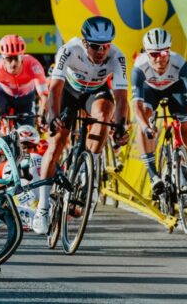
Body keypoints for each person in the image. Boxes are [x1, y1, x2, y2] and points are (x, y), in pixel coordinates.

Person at [39, 16, 130, 229]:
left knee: (105, 114)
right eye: (96, 46)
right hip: (69, 91)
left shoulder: (117, 56)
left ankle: (89, 170)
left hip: (95, 91)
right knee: (56, 143)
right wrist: (53, 116)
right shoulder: (69, 50)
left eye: (105, 46)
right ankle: (42, 207)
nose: (101, 51)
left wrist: (120, 126)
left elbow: (122, 97)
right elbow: (55, 88)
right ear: (85, 42)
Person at [131, 28, 187, 197]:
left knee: (186, 130)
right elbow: (137, 107)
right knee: (144, 118)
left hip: (175, 89)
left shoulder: (180, 63)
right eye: (154, 54)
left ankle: (186, 175)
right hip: (150, 90)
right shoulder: (139, 67)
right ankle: (153, 175)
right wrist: (146, 127)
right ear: (147, 53)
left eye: (164, 53)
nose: (160, 59)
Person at [0, 35, 48, 136]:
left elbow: (44, 95)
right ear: (3, 58)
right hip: (5, 96)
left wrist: (43, 116)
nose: (13, 63)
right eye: (9, 59)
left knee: (29, 134)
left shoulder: (34, 65)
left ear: (22, 57)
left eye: (16, 58)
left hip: (26, 97)